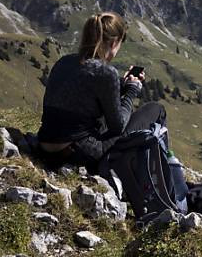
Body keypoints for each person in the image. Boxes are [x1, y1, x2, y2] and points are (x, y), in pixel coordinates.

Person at [37, 11, 167, 173]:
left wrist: (122, 84)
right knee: (155, 110)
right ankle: (162, 173)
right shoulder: (105, 72)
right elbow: (117, 127)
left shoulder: (64, 61)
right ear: (114, 43)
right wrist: (132, 91)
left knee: (103, 115)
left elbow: (85, 90)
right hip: (78, 153)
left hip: (44, 147)